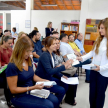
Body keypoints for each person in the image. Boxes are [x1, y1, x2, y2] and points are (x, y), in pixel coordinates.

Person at [5, 36, 59, 108]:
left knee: (55, 100)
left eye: (31, 51)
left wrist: (44, 81)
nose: (30, 53)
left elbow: (33, 76)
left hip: (31, 90)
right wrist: (33, 87)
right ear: (20, 50)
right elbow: (13, 90)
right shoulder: (12, 66)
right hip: (19, 96)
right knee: (48, 105)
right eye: (28, 51)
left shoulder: (28, 60)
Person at [35, 36, 75, 106]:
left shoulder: (51, 54)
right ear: (47, 46)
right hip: (43, 80)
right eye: (53, 44)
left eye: (56, 44)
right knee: (61, 90)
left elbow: (53, 69)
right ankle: (55, 104)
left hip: (48, 78)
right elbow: (50, 71)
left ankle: (56, 103)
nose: (56, 45)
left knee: (65, 84)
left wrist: (62, 75)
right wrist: (64, 66)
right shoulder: (45, 55)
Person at [77, 18, 108, 108]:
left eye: (102, 28)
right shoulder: (99, 39)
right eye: (99, 28)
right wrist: (81, 58)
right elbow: (92, 53)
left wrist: (101, 68)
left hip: (103, 73)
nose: (100, 30)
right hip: (94, 70)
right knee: (92, 93)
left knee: (100, 94)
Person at [53, 38, 78, 105]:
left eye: (58, 43)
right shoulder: (52, 53)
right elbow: (55, 66)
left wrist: (66, 63)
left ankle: (71, 97)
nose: (58, 45)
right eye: (56, 43)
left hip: (62, 69)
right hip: (57, 72)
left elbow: (61, 62)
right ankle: (70, 99)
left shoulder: (59, 52)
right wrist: (64, 65)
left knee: (75, 76)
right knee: (71, 78)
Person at [0, 35, 13, 107]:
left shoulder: (10, 49)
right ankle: (8, 99)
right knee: (6, 82)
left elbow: (13, 58)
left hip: (10, 67)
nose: (10, 45)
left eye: (11, 43)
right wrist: (4, 64)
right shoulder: (0, 49)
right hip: (3, 70)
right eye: (9, 43)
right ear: (4, 42)